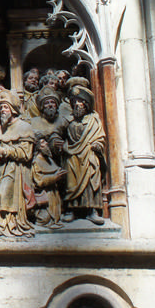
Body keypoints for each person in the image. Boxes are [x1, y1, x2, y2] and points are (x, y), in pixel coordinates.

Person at [0, 90, 34, 237]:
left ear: (13, 110)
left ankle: (3, 223)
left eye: (5, 107)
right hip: (1, 169)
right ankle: (4, 221)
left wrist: (5, 151)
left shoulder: (24, 128)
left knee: (5, 191)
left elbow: (26, 153)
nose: (2, 111)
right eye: (1, 108)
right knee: (2, 190)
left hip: (18, 169)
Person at [63, 83, 106, 224]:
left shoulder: (93, 120)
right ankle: (71, 210)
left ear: (86, 104)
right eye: (74, 102)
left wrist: (98, 145)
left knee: (91, 177)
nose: (77, 105)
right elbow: (60, 136)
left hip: (89, 154)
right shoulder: (69, 121)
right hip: (72, 156)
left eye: (80, 102)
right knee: (71, 179)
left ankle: (92, 211)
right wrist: (60, 145)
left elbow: (100, 137)